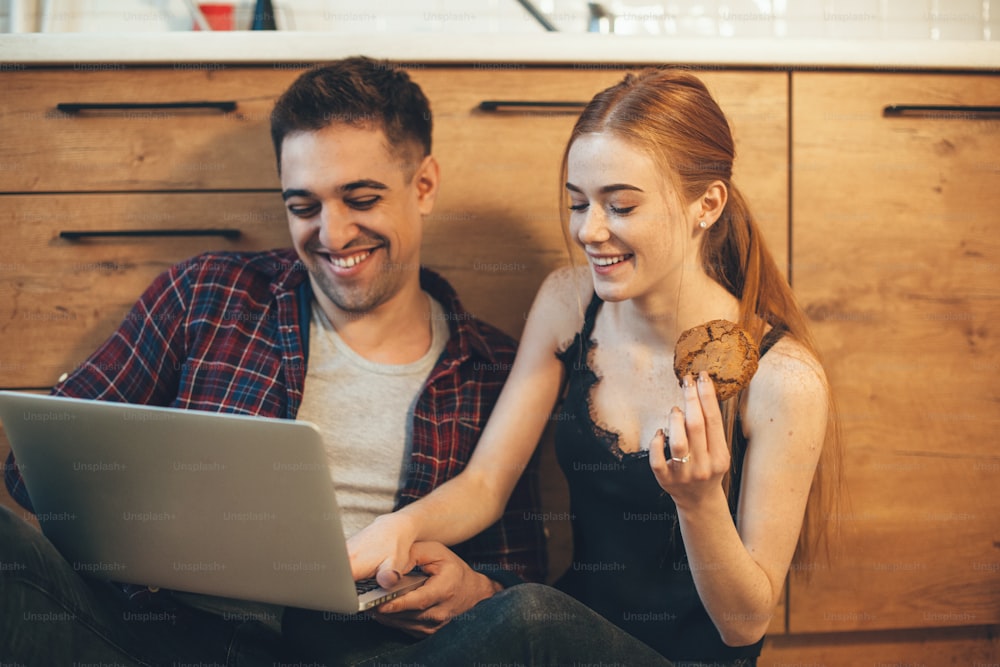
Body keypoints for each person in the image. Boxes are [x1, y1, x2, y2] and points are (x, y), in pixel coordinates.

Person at [0, 57, 546, 666]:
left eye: (360, 198)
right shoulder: (209, 294)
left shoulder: (493, 367)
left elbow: (517, 579)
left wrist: (476, 591)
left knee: (529, 617)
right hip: (158, 632)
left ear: (423, 186)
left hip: (362, 652)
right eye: (303, 206)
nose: (333, 235)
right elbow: (34, 464)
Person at [346, 68, 841, 667]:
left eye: (621, 205)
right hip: (562, 635)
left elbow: (744, 625)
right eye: (579, 203)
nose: (589, 230)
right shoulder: (569, 302)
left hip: (680, 658)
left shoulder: (783, 379)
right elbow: (485, 485)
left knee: (527, 612)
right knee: (461, 604)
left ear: (706, 204)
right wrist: (395, 529)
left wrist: (700, 501)